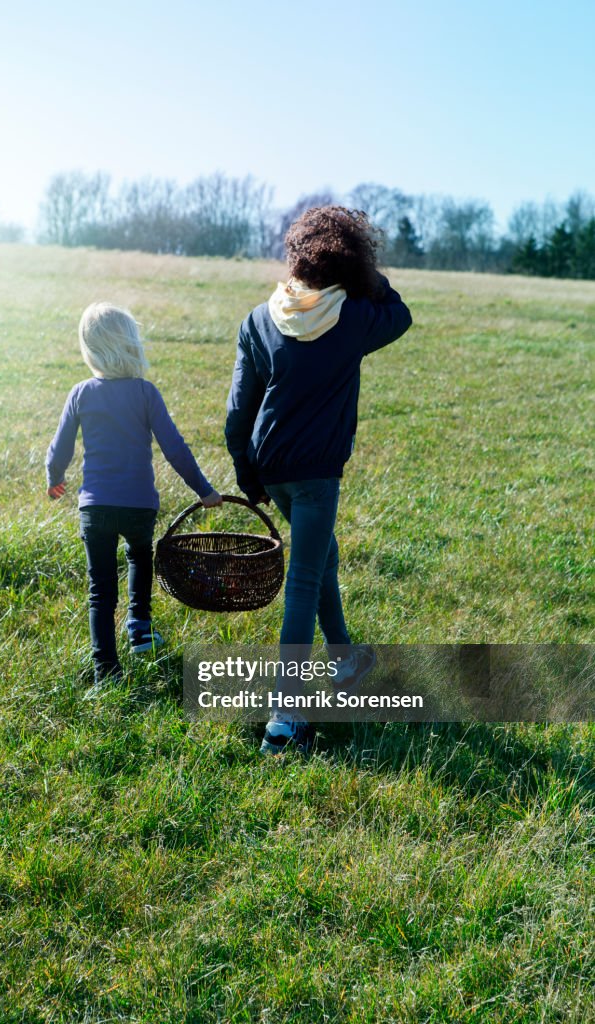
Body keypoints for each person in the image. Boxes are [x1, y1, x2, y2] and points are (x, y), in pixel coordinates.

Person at [225, 206, 412, 754]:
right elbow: (399, 315)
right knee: (305, 579)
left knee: (321, 556)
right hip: (316, 476)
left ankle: (345, 659)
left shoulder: (259, 319)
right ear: (349, 264)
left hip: (272, 469)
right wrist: (369, 279)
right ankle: (285, 718)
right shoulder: (352, 317)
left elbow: (239, 413)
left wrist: (247, 474)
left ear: (295, 257)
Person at [46, 302, 221, 686]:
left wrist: (54, 477)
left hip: (95, 508)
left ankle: (105, 671)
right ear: (131, 345)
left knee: (100, 588)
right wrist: (204, 490)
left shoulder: (81, 393)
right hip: (140, 505)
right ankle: (140, 628)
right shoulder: (145, 393)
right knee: (141, 556)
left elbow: (60, 448)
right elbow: (175, 447)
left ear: (89, 349)